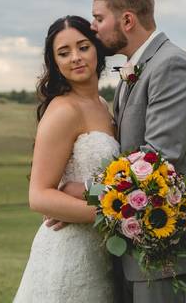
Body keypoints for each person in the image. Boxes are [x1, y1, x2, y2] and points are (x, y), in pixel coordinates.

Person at [87, 0, 186, 302]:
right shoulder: (136, 69)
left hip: (174, 255)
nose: (93, 27)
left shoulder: (172, 67)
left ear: (128, 20)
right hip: (142, 253)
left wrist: (81, 196)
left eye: (99, 18)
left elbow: (155, 161)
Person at [13, 15, 120, 302]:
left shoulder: (102, 105)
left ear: (97, 48)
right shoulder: (63, 110)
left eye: (83, 47)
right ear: (55, 63)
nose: (76, 58)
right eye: (64, 52)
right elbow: (39, 197)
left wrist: (92, 195)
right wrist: (114, 215)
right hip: (69, 252)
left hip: (102, 254)